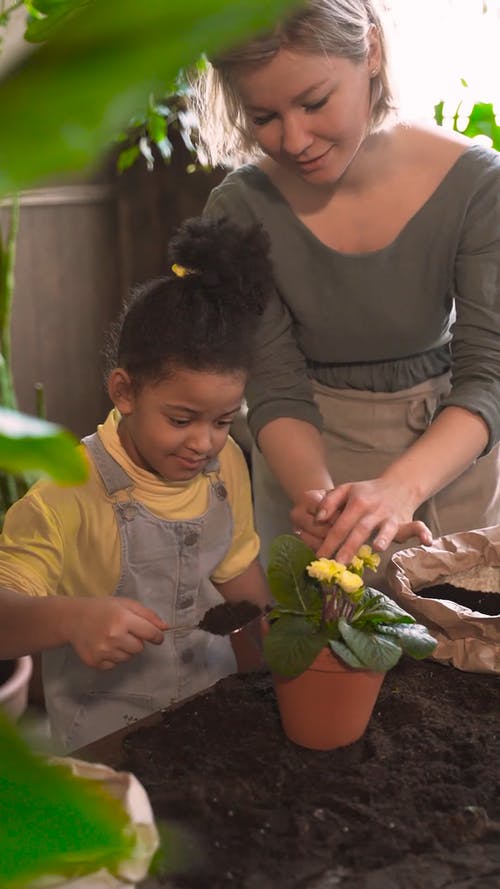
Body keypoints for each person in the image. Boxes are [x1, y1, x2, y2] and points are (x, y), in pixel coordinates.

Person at [192, 0, 500, 579]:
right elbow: (275, 386)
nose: (295, 138)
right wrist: (323, 507)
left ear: (373, 54)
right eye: (264, 117)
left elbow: (491, 375)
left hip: (449, 460)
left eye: (314, 102)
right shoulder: (236, 209)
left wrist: (399, 490)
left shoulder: (481, 186)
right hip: (305, 471)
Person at [0, 215, 272, 752]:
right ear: (124, 391)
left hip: (212, 718)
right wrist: (72, 618)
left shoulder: (226, 467)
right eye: (181, 419)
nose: (204, 443)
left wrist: (276, 666)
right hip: (108, 746)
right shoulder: (65, 492)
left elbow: (240, 575)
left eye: (222, 421)